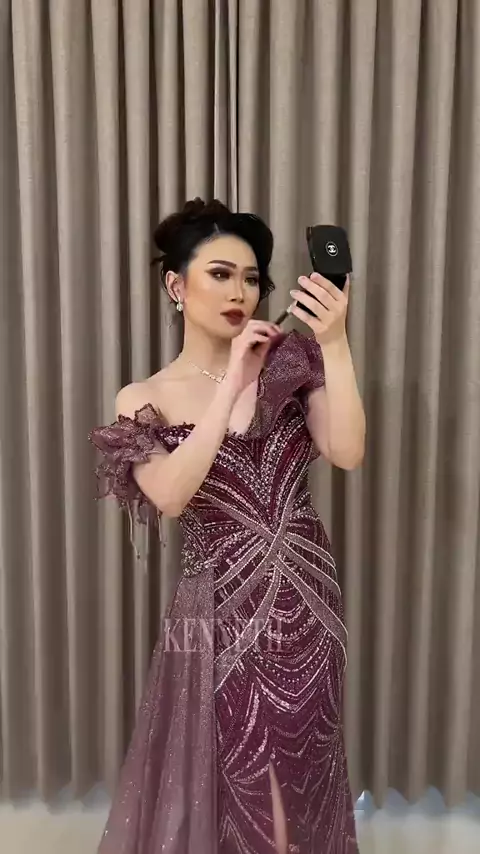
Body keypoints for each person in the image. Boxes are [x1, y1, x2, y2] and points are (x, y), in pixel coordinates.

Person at [89, 198, 365, 854]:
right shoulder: (144, 396)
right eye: (220, 274)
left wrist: (334, 342)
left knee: (307, 768)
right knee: (242, 769)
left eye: (251, 278)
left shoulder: (293, 362)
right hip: (219, 613)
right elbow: (171, 496)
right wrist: (229, 384)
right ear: (176, 285)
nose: (240, 292)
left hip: (308, 601)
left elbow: (348, 451)